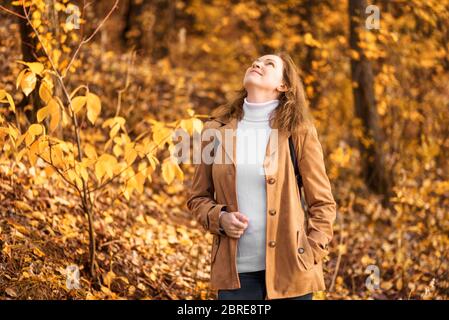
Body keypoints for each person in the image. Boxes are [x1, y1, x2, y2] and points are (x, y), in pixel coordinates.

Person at [187, 51, 337, 300]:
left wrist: (310, 252)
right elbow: (198, 198)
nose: (257, 64)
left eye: (269, 64)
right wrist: (220, 218)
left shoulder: (297, 131)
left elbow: (323, 203)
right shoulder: (216, 130)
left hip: (292, 271)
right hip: (237, 272)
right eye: (256, 61)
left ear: (284, 85)